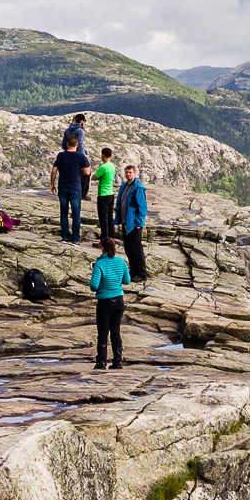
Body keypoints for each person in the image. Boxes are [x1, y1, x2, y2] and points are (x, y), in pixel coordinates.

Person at [89, 234, 130, 370]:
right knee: (116, 332)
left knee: (103, 332)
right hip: (118, 300)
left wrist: (102, 286)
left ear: (102, 248)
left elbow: (93, 286)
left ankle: (101, 362)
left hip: (105, 302)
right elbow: (127, 281)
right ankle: (118, 361)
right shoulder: (121, 262)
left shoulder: (100, 264)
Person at [50, 137, 87, 243]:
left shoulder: (61, 156)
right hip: (75, 187)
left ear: (66, 143)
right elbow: (87, 172)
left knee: (64, 213)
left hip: (63, 186)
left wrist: (52, 184)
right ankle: (75, 239)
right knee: (76, 214)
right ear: (77, 144)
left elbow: (53, 171)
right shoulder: (81, 157)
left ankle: (65, 237)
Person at [116, 163, 149, 282]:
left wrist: (139, 224)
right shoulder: (124, 186)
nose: (128, 174)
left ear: (134, 174)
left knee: (136, 249)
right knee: (128, 248)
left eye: (130, 172)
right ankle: (133, 271)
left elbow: (142, 208)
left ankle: (141, 274)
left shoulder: (138, 188)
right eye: (127, 172)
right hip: (125, 222)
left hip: (134, 223)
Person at [94, 146, 117, 237]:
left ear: (102, 155)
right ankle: (111, 238)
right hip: (111, 193)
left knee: (103, 218)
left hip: (103, 194)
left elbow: (94, 177)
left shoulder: (103, 167)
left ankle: (104, 240)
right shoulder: (112, 166)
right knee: (110, 218)